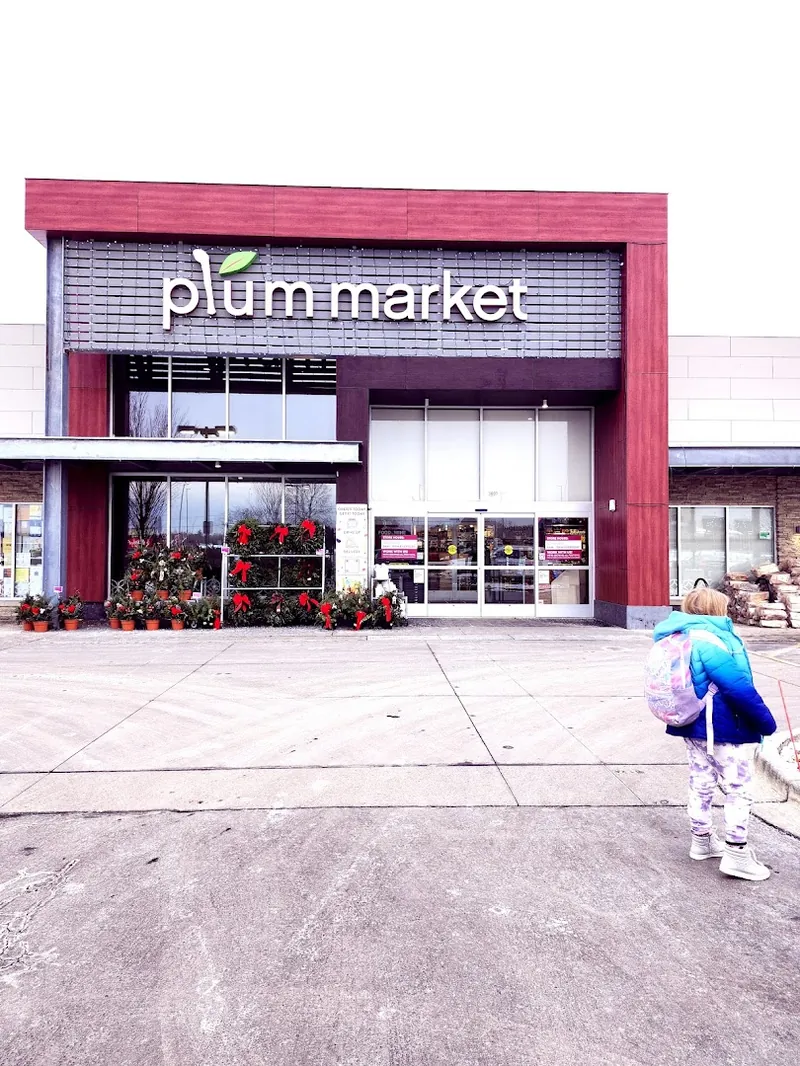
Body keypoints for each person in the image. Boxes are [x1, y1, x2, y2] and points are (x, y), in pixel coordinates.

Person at [652, 587, 777, 881]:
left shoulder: (678, 637)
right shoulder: (711, 642)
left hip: (690, 723)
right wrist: (766, 723)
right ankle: (736, 853)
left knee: (701, 781)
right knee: (738, 788)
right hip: (721, 727)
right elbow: (738, 688)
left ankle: (702, 841)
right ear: (713, 609)